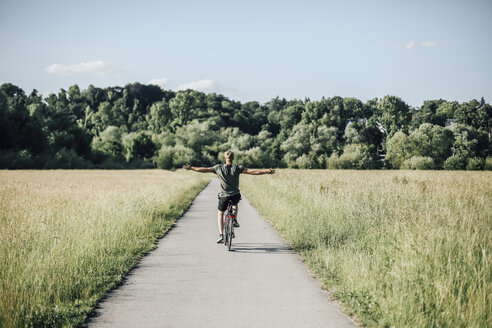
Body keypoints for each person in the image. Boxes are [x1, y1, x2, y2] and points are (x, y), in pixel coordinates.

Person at [183, 150, 275, 243]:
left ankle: (221, 235)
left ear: (225, 158)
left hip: (224, 196)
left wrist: (191, 168)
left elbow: (204, 170)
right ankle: (234, 219)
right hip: (235, 195)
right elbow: (252, 171)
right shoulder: (237, 168)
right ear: (233, 158)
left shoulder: (218, 167)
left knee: (220, 213)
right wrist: (267, 171)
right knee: (235, 203)